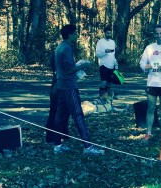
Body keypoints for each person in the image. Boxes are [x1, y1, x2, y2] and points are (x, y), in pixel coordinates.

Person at [53, 24, 105, 155]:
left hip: (60, 86)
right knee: (78, 115)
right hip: (69, 87)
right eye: (75, 33)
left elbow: (61, 67)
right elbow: (69, 69)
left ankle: (57, 145)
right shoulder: (67, 49)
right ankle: (88, 147)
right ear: (69, 35)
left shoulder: (59, 48)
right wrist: (84, 65)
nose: (77, 36)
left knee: (60, 116)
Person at [45, 51, 69, 143]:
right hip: (59, 86)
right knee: (56, 112)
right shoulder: (59, 66)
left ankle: (62, 133)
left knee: (62, 111)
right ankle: (52, 135)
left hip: (58, 86)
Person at [95, 25, 118, 99]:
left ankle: (108, 97)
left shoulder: (112, 42)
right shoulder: (100, 42)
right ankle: (101, 96)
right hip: (103, 65)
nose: (109, 35)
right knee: (103, 82)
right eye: (107, 33)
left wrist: (115, 63)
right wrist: (105, 51)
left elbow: (113, 54)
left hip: (111, 65)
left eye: (110, 33)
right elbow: (97, 54)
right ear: (104, 33)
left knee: (109, 83)